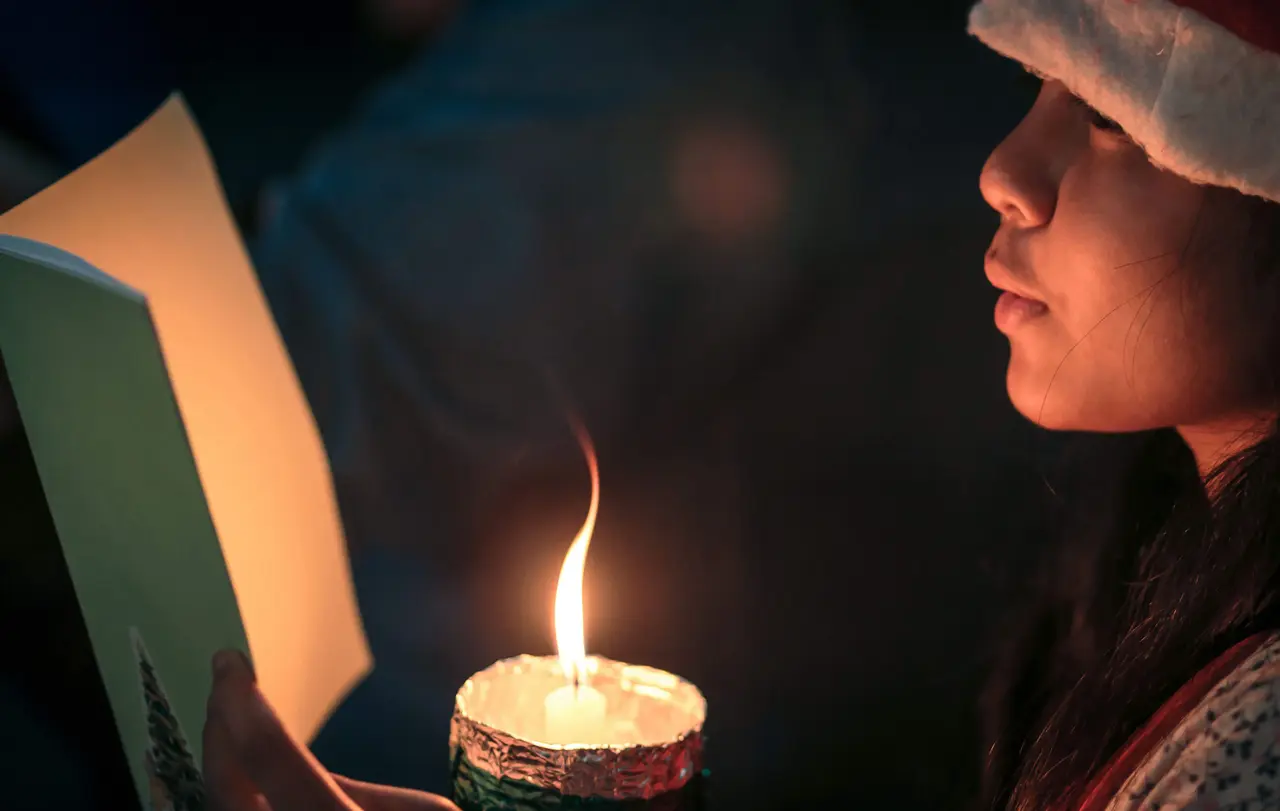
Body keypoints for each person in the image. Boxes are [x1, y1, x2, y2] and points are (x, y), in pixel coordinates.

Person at [204, 0, 1280, 808]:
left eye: (1104, 114)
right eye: (1030, 91)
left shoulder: (1251, 740)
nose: (1004, 171)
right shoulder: (1156, 564)